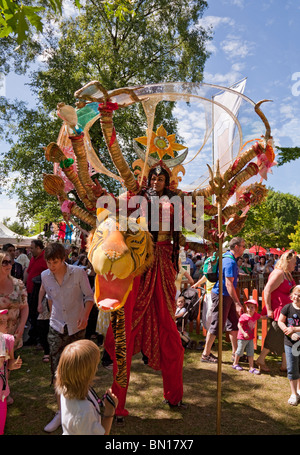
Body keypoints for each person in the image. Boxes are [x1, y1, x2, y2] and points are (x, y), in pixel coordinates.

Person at [104, 162, 186, 422]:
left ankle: (174, 394)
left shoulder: (176, 203)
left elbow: (184, 231)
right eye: (153, 177)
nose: (156, 181)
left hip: (163, 266)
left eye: (161, 179)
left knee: (169, 330)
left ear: (167, 182)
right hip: (140, 262)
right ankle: (117, 403)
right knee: (125, 329)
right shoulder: (136, 199)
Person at [41, 242, 94, 433]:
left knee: (78, 369)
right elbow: (50, 297)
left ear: (63, 259)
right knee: (57, 371)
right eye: (48, 262)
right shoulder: (45, 276)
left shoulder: (78, 273)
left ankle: (81, 409)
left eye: (55, 261)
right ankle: (61, 412)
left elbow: (89, 297)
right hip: (56, 326)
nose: (51, 266)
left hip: (77, 327)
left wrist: (85, 315)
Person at [55, 339, 118, 435]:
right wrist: (110, 410)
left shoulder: (66, 386)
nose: (96, 368)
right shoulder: (85, 411)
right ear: (87, 373)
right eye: (95, 365)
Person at [201, 237, 245, 363]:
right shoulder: (229, 261)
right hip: (222, 295)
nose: (244, 248)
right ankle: (205, 354)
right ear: (236, 247)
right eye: (242, 246)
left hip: (227, 295)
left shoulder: (228, 258)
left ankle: (236, 353)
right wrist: (237, 303)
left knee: (233, 323)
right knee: (216, 324)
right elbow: (228, 284)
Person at [256, 250, 297, 373]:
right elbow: (267, 290)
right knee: (275, 334)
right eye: (294, 262)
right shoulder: (279, 273)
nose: (295, 265)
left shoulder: (287, 273)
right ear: (287, 262)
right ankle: (261, 359)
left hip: (286, 310)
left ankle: (285, 365)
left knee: (286, 337)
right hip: (278, 311)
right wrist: (268, 309)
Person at [0, 309, 23, 434]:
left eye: (6, 320)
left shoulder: (7, 340)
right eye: (2, 322)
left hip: (2, 393)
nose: (7, 325)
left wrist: (14, 364)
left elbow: (9, 364)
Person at [0, 252, 28, 351]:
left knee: (10, 364)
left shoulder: (18, 284)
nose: (9, 265)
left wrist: (21, 326)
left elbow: (24, 307)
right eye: (5, 262)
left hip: (13, 332)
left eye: (10, 262)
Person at [278, 285, 300, 405]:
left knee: (299, 367)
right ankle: (293, 393)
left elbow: (295, 328)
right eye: (295, 294)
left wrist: (295, 329)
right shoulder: (287, 307)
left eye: (299, 295)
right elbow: (280, 321)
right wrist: (288, 332)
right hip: (290, 344)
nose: (296, 297)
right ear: (292, 295)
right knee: (292, 368)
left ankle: (299, 390)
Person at [232, 299, 267, 374]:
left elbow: (262, 317)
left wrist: (268, 316)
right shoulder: (244, 316)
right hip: (242, 338)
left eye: (252, 307)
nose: (250, 309)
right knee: (240, 351)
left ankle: (251, 367)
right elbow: (239, 325)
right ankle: (235, 364)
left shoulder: (255, 315)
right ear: (246, 308)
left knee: (251, 352)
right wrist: (244, 333)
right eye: (248, 307)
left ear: (255, 309)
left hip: (250, 338)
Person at [24, 240, 48, 345]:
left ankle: (38, 339)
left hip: (39, 292)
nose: (30, 250)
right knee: (32, 315)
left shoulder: (45, 259)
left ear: (39, 248)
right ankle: (33, 337)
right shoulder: (33, 258)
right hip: (30, 291)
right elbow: (28, 271)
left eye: (32, 248)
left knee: (37, 315)